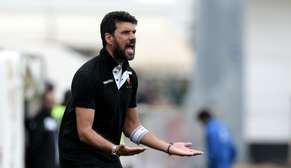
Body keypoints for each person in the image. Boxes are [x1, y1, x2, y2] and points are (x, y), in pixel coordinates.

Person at [59, 11, 202, 168]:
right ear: (109, 38)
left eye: (134, 32)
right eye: (125, 32)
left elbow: (132, 127)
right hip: (80, 160)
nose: (132, 37)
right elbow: (84, 132)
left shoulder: (130, 76)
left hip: (110, 156)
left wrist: (168, 147)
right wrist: (114, 148)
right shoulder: (88, 75)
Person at [26, 81, 58, 168]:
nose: (52, 102)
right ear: (43, 101)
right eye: (49, 101)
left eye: (52, 100)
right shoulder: (39, 119)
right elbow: (35, 144)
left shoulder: (51, 118)